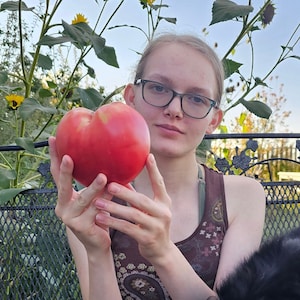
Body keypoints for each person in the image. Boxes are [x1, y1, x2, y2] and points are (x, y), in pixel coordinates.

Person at [49, 33, 266, 300]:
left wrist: (163, 252)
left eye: (197, 99)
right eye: (159, 88)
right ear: (131, 96)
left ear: (214, 119)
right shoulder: (92, 207)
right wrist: (97, 252)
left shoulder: (243, 197)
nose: (175, 109)